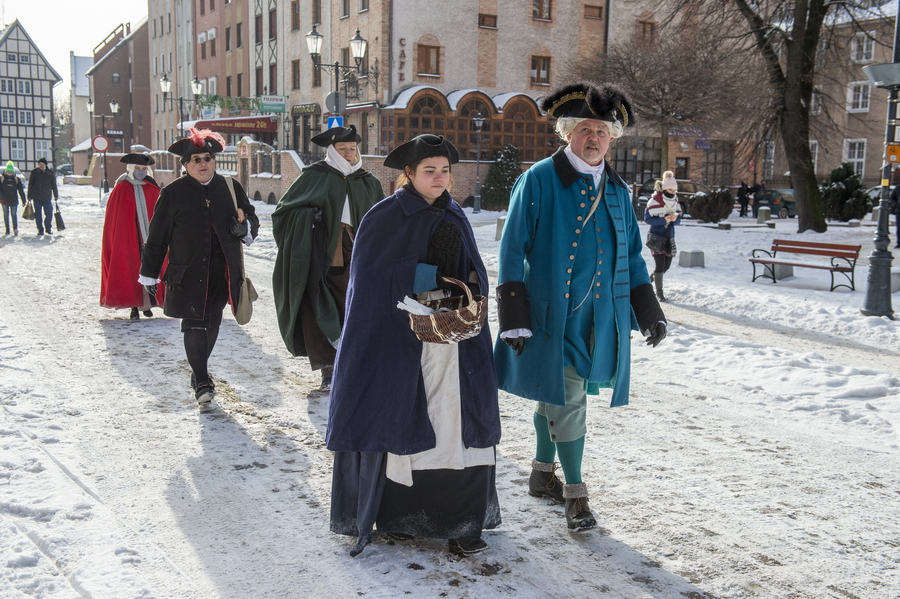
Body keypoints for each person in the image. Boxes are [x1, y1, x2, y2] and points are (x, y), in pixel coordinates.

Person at [494, 82, 667, 533]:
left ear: (613, 138)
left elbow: (631, 257)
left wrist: (649, 311)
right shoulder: (538, 180)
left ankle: (539, 472)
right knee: (569, 400)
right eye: (586, 129)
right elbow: (512, 250)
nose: (594, 138)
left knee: (555, 395)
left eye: (603, 131)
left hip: (600, 320)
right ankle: (575, 494)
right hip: (552, 318)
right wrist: (513, 318)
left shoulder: (617, 188)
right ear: (567, 132)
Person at [326, 134, 501, 557]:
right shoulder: (385, 217)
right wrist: (423, 281)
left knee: (459, 426)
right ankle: (401, 517)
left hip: (455, 343)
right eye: (429, 171)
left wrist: (465, 293)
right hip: (403, 347)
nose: (439, 178)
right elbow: (369, 286)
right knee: (405, 422)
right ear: (409, 173)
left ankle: (462, 521)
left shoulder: (454, 213)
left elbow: (472, 271)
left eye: (444, 171)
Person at [139, 128, 259, 404]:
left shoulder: (230, 187)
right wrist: (149, 273)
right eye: (196, 160)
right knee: (194, 323)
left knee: (213, 321)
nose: (203, 163)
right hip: (187, 273)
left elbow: (251, 217)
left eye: (207, 158)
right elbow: (157, 237)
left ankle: (198, 370)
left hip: (222, 269)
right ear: (185, 165)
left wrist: (245, 229)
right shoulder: (172, 193)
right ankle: (203, 382)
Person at [271, 125, 383, 391]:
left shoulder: (368, 181)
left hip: (357, 252)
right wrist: (308, 218)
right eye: (342, 149)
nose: (347, 154)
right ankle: (328, 369)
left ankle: (355, 362)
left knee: (354, 306)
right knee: (317, 306)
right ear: (332, 151)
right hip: (320, 251)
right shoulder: (314, 177)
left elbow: (382, 219)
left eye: (352, 149)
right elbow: (283, 213)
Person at [100, 154, 166, 320]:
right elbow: (115, 218)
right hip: (128, 238)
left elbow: (160, 214)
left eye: (144, 169)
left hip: (149, 238)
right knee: (130, 269)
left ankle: (149, 303)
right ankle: (134, 306)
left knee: (152, 267)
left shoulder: (152, 188)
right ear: (131, 169)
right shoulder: (121, 188)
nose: (141, 172)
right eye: (137, 169)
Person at [644, 170, 683, 302]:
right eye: (671, 190)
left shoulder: (675, 201)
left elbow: (679, 219)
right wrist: (664, 220)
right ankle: (659, 293)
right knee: (660, 266)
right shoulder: (653, 202)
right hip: (656, 237)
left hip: (669, 238)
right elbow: (647, 219)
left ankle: (648, 280)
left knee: (666, 266)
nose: (673, 193)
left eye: (674, 190)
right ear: (665, 189)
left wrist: (674, 219)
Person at [27, 157, 58, 235]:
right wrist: (29, 195)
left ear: (45, 165)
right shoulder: (34, 172)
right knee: (38, 214)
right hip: (36, 197)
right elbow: (30, 184)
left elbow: (54, 185)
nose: (41, 166)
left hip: (47, 197)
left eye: (42, 164)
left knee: (49, 213)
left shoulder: (50, 173)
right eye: (40, 164)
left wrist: (56, 194)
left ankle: (48, 228)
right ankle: (40, 229)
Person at [1, 161, 25, 235]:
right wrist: (1, 197)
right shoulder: (2, 179)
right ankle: (7, 228)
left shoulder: (16, 180)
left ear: (13, 173)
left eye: (10, 172)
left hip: (14, 200)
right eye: (8, 172)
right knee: (6, 214)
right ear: (5, 172)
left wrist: (23, 200)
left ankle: (15, 228)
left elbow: (21, 190)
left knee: (14, 214)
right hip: (4, 200)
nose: (9, 173)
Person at [891, 184, 900, 249]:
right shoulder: (898, 188)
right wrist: (895, 204)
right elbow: (892, 198)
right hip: (899, 211)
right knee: (899, 228)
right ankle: (899, 243)